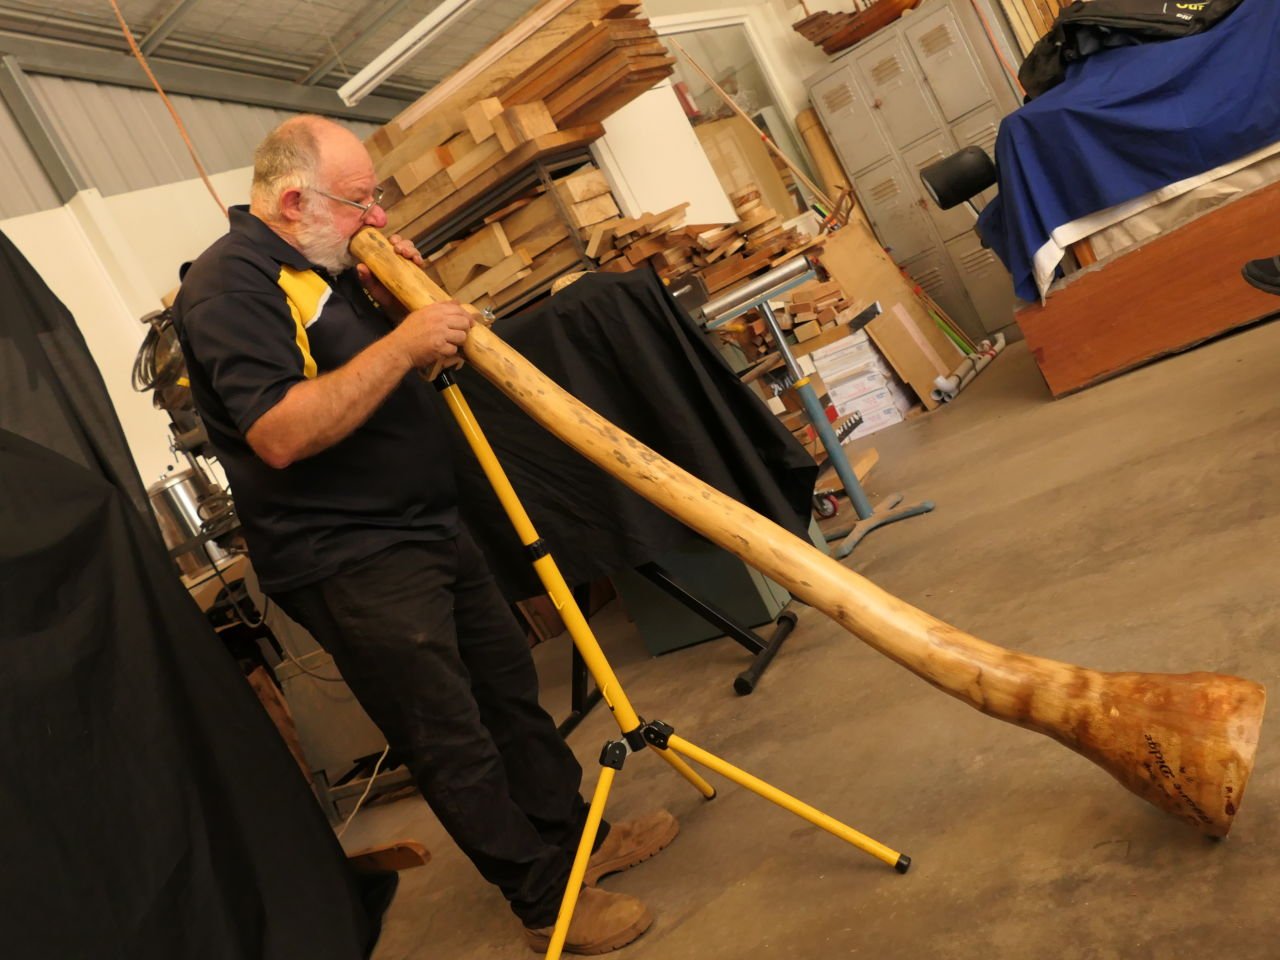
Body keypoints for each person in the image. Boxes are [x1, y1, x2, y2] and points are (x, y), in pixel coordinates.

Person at [172, 114, 677, 955]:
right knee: (451, 735)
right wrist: (403, 343)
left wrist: (402, 308)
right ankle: (545, 901)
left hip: (423, 525)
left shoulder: (322, 267)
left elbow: (389, 372)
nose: (374, 217)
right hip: (350, 555)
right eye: (359, 201)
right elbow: (280, 432)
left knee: (509, 693)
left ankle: (577, 843)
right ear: (294, 200)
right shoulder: (233, 287)